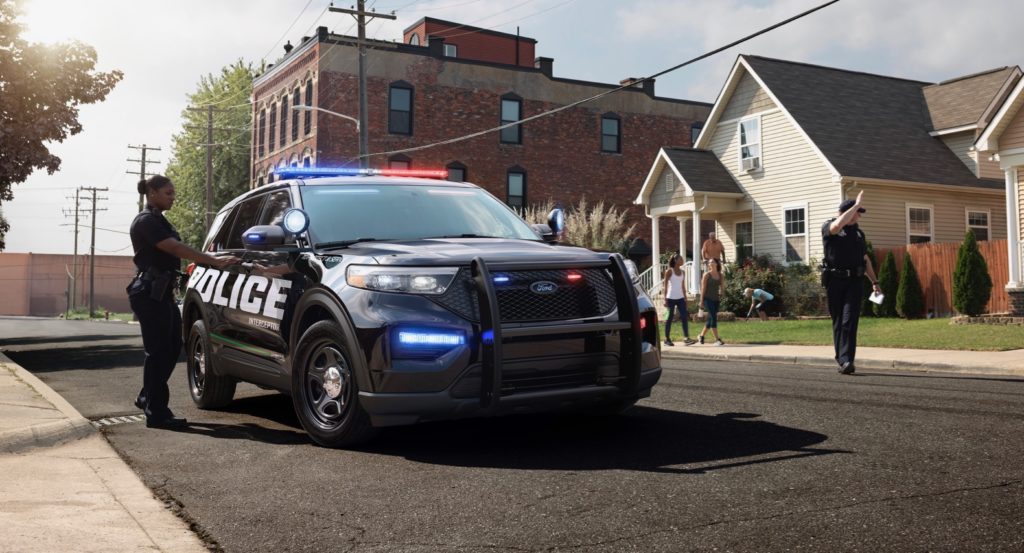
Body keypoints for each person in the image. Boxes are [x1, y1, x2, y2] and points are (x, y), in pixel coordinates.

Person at [128, 175, 239, 428]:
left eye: (173, 192)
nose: (173, 197)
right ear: (152, 193)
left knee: (172, 348)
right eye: (168, 193)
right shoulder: (145, 221)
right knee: (157, 353)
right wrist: (215, 261)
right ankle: (156, 413)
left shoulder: (158, 220)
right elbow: (175, 248)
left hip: (162, 291)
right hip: (149, 293)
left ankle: (147, 396)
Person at [822, 191, 880, 375]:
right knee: (839, 321)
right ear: (847, 211)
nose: (859, 215)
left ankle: (847, 360)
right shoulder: (830, 226)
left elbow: (865, 259)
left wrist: (875, 281)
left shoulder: (859, 234)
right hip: (835, 281)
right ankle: (842, 359)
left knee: (850, 320)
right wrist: (855, 204)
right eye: (857, 211)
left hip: (854, 281)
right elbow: (837, 225)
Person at [662, 254, 696, 347]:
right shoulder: (669, 271)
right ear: (676, 261)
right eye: (681, 259)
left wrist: (685, 298)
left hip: (680, 298)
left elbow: (683, 286)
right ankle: (667, 339)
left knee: (684, 317)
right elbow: (665, 286)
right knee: (669, 319)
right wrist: (664, 299)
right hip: (670, 298)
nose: (683, 260)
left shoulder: (683, 272)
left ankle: (686, 338)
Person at [698, 258, 725, 346]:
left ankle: (701, 336)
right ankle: (717, 339)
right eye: (709, 262)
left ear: (717, 264)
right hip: (707, 299)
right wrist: (701, 301)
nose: (710, 264)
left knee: (710, 319)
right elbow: (703, 288)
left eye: (712, 262)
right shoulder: (707, 275)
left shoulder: (720, 275)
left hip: (716, 300)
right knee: (713, 317)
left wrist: (722, 293)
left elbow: (722, 287)